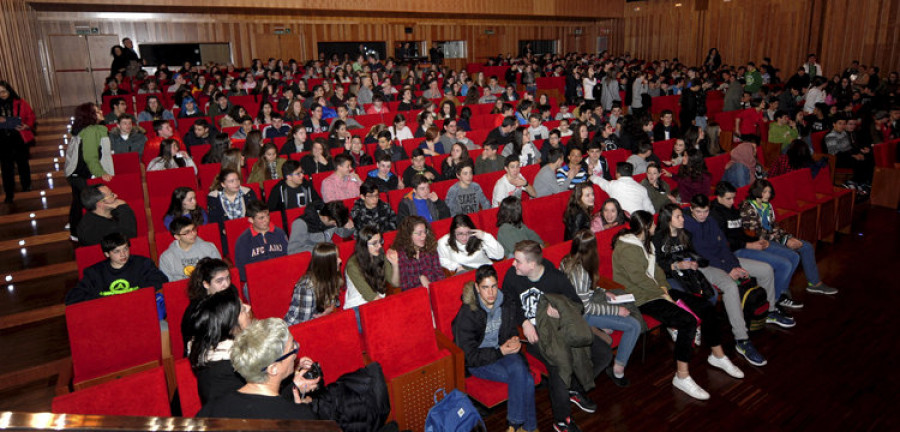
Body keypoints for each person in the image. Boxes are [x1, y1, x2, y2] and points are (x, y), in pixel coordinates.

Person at [611, 211, 744, 401]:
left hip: (656, 291)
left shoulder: (645, 243)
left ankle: (718, 355)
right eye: (653, 225)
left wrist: (664, 288)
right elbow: (638, 279)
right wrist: (662, 293)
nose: (656, 227)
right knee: (687, 321)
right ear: (647, 227)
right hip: (640, 298)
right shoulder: (626, 247)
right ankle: (681, 376)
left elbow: (656, 271)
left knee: (705, 306)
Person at [501, 240, 611, 432]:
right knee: (560, 366)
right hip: (535, 334)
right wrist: (525, 322)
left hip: (560, 328)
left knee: (603, 353)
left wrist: (562, 311)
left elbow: (578, 304)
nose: (513, 264)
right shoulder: (512, 276)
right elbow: (507, 304)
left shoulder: (556, 278)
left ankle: (574, 387)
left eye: (518, 261)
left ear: (532, 264)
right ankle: (562, 421)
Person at [655, 203, 772, 367]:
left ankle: (742, 339)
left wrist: (695, 262)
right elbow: (657, 265)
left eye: (682, 215)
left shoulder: (685, 234)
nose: (683, 219)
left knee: (728, 287)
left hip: (693, 271)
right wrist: (677, 266)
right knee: (697, 297)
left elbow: (695, 253)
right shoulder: (658, 238)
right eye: (678, 216)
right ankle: (688, 327)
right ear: (668, 220)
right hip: (672, 275)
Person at [452, 265, 538, 432]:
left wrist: (514, 340)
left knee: (519, 372)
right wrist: (500, 352)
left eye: (493, 286)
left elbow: (510, 330)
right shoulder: (467, 313)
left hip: (503, 351)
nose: (491, 293)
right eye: (485, 287)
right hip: (480, 361)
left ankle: (517, 426)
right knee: (525, 378)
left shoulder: (505, 302)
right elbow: (469, 357)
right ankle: (524, 426)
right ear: (477, 287)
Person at [559, 230, 640, 387]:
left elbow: (584, 290)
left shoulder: (566, 260)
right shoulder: (580, 271)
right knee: (633, 325)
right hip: (580, 314)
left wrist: (603, 291)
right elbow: (587, 307)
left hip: (575, 309)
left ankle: (600, 328)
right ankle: (618, 369)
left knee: (613, 310)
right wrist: (617, 311)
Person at [196, 318, 319, 420]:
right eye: (293, 347)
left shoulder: (211, 409)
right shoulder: (300, 417)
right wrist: (299, 413)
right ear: (273, 368)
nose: (297, 349)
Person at [710, 181, 803, 309]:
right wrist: (749, 245)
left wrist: (755, 240)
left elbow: (740, 233)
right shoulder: (714, 215)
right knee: (784, 264)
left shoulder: (732, 210)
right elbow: (724, 242)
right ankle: (773, 301)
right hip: (735, 251)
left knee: (793, 257)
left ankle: (780, 294)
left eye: (733, 198)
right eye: (728, 199)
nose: (732, 202)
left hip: (745, 244)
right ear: (718, 197)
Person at [740, 179, 838, 296]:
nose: (768, 195)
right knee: (792, 255)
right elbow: (756, 233)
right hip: (759, 242)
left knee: (806, 246)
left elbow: (774, 227)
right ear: (757, 191)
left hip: (772, 238)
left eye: (769, 192)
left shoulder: (767, 205)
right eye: (765, 192)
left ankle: (815, 284)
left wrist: (788, 238)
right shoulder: (747, 208)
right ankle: (782, 290)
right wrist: (784, 240)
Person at [185, 286, 254, 405]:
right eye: (242, 309)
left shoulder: (222, 352)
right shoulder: (225, 372)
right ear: (230, 326)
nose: (249, 307)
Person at [66, 232, 168, 305]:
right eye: (117, 251)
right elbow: (73, 297)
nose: (123, 254)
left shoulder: (142, 263)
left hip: (137, 307)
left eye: (125, 249)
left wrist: (133, 296)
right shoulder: (95, 272)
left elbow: (160, 279)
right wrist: (108, 300)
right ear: (106, 254)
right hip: (107, 313)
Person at [68, 103, 114, 240]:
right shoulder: (91, 130)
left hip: (77, 174)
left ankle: (75, 233)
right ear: (90, 115)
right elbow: (90, 156)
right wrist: (101, 174)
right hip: (83, 175)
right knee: (91, 205)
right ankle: (84, 235)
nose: (101, 111)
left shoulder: (89, 129)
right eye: (96, 111)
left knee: (78, 203)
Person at [284, 242, 342, 325]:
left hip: (318, 320)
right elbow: (303, 324)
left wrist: (330, 308)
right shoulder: (307, 287)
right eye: (336, 258)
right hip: (294, 327)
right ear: (326, 263)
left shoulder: (333, 275)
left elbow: (335, 303)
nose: (340, 260)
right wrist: (323, 315)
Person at [344, 226, 400, 309]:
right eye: (374, 243)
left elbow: (395, 283)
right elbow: (369, 296)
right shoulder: (353, 265)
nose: (379, 246)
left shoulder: (379, 253)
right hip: (358, 305)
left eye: (380, 241)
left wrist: (395, 264)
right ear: (363, 245)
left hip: (377, 300)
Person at [233, 201, 288, 282]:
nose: (266, 220)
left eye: (267, 215)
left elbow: (288, 258)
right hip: (256, 280)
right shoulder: (243, 240)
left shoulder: (280, 233)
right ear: (251, 220)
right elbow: (241, 270)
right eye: (261, 218)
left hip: (279, 275)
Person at [0, 81, 35, 203]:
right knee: (6, 168)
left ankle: (26, 185)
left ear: (9, 90)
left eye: (4, 91)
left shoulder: (20, 102)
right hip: (3, 140)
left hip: (18, 138)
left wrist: (26, 125)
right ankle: (9, 193)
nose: (2, 94)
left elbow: (30, 116)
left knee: (22, 163)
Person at [159, 216, 222, 282]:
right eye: (187, 232)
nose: (193, 234)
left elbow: (219, 271)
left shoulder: (209, 248)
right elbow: (169, 284)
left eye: (194, 229)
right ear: (177, 236)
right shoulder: (166, 257)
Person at [392, 215, 444, 291]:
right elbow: (404, 284)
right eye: (419, 233)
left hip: (434, 290)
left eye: (425, 231)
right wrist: (420, 278)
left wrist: (434, 289)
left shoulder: (430, 247)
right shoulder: (401, 254)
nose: (424, 236)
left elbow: (439, 274)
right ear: (409, 235)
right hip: (415, 295)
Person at [437, 214, 504, 273]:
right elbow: (442, 259)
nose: (465, 237)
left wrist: (486, 237)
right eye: (460, 234)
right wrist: (455, 266)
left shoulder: (478, 236)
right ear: (453, 233)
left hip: (485, 270)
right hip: (465, 272)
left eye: (468, 233)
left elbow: (499, 256)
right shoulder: (443, 242)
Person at [287, 201, 354, 254]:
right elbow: (292, 250)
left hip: (330, 254)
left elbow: (343, 234)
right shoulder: (301, 223)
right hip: (314, 258)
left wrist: (350, 228)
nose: (335, 225)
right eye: (333, 223)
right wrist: (319, 250)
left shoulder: (333, 215)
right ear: (325, 218)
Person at [590, 162, 654, 215]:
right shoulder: (642, 188)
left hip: (622, 222)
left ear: (617, 174)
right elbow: (651, 211)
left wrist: (590, 176)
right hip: (639, 220)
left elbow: (598, 180)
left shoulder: (613, 185)